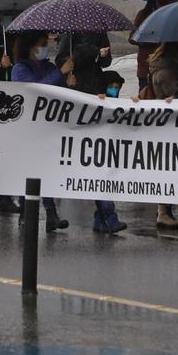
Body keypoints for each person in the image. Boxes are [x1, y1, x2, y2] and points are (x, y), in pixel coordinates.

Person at [58, 51, 126, 234]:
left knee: (100, 179)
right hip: (84, 138)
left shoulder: (94, 75)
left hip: (98, 141)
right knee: (99, 178)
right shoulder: (75, 73)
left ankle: (103, 218)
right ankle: (108, 217)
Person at [7, 31, 68, 232]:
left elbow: (61, 92)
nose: (46, 47)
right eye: (42, 43)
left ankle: (51, 214)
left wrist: (69, 81)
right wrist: (60, 73)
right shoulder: (19, 68)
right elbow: (34, 90)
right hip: (27, 129)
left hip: (48, 126)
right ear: (31, 46)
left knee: (46, 170)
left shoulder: (50, 67)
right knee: (30, 171)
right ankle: (26, 212)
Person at [146, 42, 178, 234]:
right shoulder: (166, 72)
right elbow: (175, 97)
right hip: (170, 123)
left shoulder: (174, 67)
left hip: (175, 123)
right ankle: (164, 211)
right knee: (171, 167)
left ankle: (168, 210)